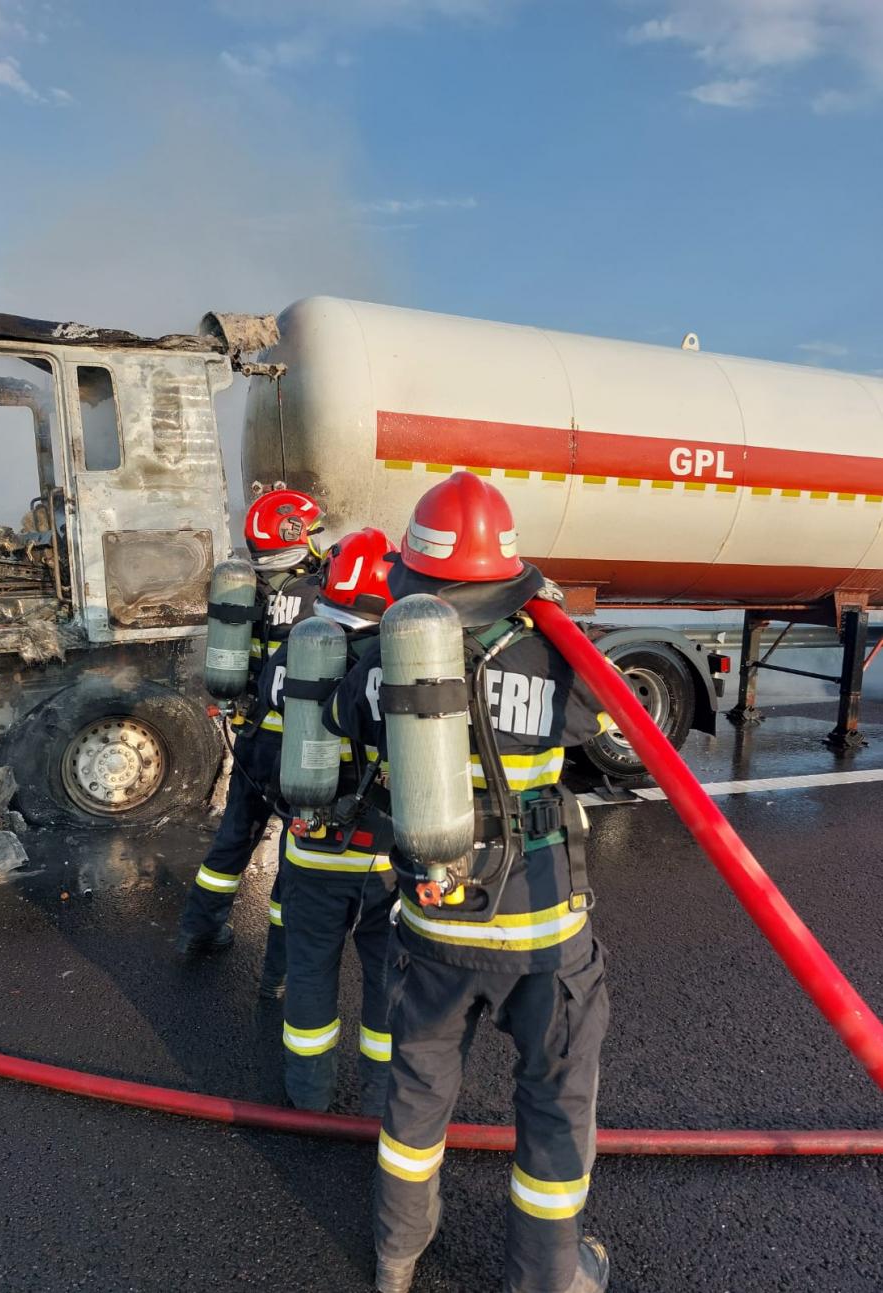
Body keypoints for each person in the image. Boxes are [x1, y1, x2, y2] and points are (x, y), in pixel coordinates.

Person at [325, 472, 612, 1293]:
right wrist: (552, 613)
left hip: (431, 924)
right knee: (556, 1108)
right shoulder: (550, 651)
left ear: (412, 574)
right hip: (542, 934)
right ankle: (549, 1277)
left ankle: (395, 1253)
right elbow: (604, 714)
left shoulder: (382, 655)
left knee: (414, 1097)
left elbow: (347, 721)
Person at [258, 527, 398, 1117]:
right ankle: (381, 1102)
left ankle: (308, 1096)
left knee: (311, 974)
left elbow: (268, 701)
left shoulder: (299, 648)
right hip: (387, 859)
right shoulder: (400, 657)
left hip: (311, 850)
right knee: (388, 982)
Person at [174, 485, 325, 982]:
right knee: (295, 855)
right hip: (299, 746)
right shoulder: (318, 593)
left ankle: (200, 926)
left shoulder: (248, 589)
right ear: (294, 533)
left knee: (234, 837)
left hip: (253, 739)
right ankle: (278, 966)